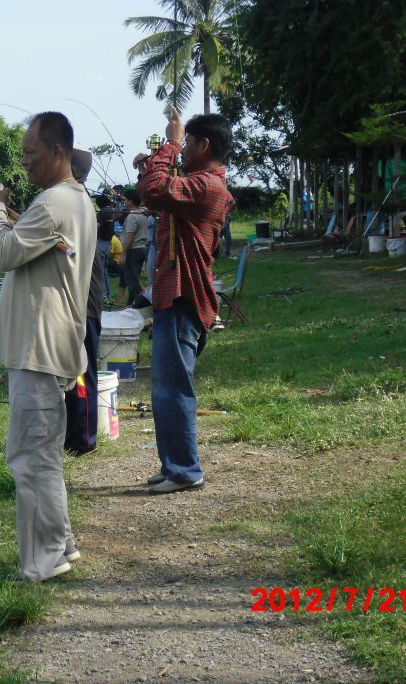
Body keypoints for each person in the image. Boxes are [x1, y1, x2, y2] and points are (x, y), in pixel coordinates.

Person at [0, 111, 96, 581]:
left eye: (31, 153)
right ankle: (60, 545)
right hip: (52, 346)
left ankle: (42, 563)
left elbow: (5, 254)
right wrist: (9, 218)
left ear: (57, 152)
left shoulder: (53, 203)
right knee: (44, 454)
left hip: (39, 349)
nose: (24, 162)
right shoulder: (75, 201)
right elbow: (29, 247)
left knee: (31, 458)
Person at [134, 109, 234, 494]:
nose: (183, 150)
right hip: (175, 299)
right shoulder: (200, 186)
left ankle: (185, 471)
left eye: (188, 143)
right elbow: (157, 197)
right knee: (165, 389)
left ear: (202, 145)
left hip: (182, 299)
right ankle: (172, 464)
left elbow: (157, 192)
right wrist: (152, 167)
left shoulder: (207, 186)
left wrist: (168, 142)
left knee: (174, 390)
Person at [65, 148, 102, 455]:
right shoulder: (77, 200)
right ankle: (74, 436)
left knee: (82, 373)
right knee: (75, 371)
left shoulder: (76, 202)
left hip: (84, 305)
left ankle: (85, 440)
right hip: (79, 303)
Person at [119, 188, 149, 307]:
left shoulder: (132, 216)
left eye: (125, 200)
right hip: (142, 249)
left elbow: (130, 236)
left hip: (134, 251)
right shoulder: (142, 213)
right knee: (134, 278)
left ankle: (132, 306)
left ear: (131, 201)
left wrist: (123, 254)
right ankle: (139, 300)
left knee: (132, 281)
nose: (124, 202)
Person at [95, 193, 116, 302]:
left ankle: (104, 295)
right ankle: (107, 295)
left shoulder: (103, 212)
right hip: (108, 243)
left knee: (100, 270)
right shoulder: (111, 210)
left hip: (101, 243)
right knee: (104, 270)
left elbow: (96, 227)